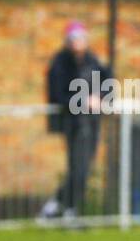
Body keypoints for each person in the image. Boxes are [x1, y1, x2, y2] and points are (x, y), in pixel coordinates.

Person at [41, 22, 108, 221]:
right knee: (78, 168)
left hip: (92, 121)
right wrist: (82, 101)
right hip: (73, 122)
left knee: (85, 168)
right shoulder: (60, 63)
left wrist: (101, 98)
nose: (77, 43)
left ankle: (59, 207)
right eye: (74, 39)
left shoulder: (93, 61)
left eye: (81, 39)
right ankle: (62, 207)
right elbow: (57, 95)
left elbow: (107, 82)